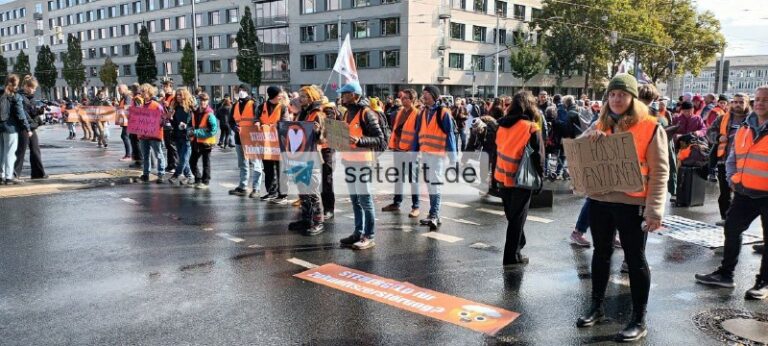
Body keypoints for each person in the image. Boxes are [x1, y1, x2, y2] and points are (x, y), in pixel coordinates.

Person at [576, 74, 669, 342]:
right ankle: (596, 307)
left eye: (622, 95)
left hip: (632, 203)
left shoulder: (650, 126)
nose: (617, 99)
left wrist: (654, 211)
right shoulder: (601, 122)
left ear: (632, 98)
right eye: (613, 94)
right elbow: (578, 151)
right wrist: (588, 136)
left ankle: (638, 319)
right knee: (601, 253)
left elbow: (660, 171)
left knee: (636, 259)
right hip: (601, 200)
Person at [695, 85, 768, 301]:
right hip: (744, 192)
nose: (761, 103)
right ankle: (725, 274)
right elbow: (733, 157)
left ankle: (763, 282)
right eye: (758, 99)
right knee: (731, 229)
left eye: (766, 99)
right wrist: (732, 178)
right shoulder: (746, 126)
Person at [495, 91, 544, 265]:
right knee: (517, 219)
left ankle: (518, 245)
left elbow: (497, 151)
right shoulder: (530, 127)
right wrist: (540, 178)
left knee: (512, 217)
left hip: (502, 177)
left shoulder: (501, 125)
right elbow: (538, 156)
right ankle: (511, 256)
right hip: (521, 179)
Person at [335, 81, 385, 248]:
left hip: (363, 162)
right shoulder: (345, 113)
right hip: (349, 161)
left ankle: (369, 236)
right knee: (355, 200)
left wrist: (360, 140)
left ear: (354, 95)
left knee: (365, 200)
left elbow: (380, 139)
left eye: (345, 94)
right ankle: (358, 232)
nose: (342, 97)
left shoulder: (366, 113)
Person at [413, 85, 458, 230]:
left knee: (435, 185)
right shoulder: (422, 112)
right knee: (429, 184)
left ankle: (434, 215)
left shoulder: (443, 113)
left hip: (437, 156)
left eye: (426, 94)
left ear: (434, 95)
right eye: (423, 93)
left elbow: (450, 136)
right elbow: (417, 133)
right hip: (425, 154)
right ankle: (433, 214)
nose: (424, 96)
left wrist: (453, 158)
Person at [288, 85, 328, 236]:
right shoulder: (302, 113)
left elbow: (323, 139)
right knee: (303, 190)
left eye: (303, 96)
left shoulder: (318, 114)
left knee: (312, 191)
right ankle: (306, 218)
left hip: (312, 156)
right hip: (300, 155)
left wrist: (318, 132)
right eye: (300, 96)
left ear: (311, 98)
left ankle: (318, 221)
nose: (300, 99)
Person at [707, 94, 748, 225]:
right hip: (724, 161)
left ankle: (739, 220)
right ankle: (726, 219)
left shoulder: (753, 120)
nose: (737, 104)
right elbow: (709, 132)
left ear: (746, 103)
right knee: (725, 193)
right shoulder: (722, 118)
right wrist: (718, 137)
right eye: (735, 102)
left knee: (743, 195)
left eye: (741, 102)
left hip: (746, 163)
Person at [382, 88, 421, 217]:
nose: (403, 100)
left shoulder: (417, 114)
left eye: (406, 98)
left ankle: (416, 206)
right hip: (398, 149)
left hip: (410, 152)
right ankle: (396, 203)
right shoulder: (400, 112)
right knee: (398, 178)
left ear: (413, 100)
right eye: (402, 97)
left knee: (413, 180)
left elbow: (419, 135)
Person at [228, 84, 266, 199]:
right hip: (239, 138)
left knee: (256, 164)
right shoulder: (235, 105)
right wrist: (235, 128)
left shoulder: (254, 104)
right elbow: (231, 121)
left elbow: (259, 119)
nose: (241, 92)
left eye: (243, 90)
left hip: (253, 138)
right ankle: (243, 186)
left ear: (248, 92)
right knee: (243, 164)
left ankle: (256, 188)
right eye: (239, 90)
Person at [258, 86, 291, 200]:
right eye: (279, 95)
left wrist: (273, 127)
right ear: (273, 96)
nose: (281, 96)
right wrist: (257, 123)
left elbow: (285, 123)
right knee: (268, 169)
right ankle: (271, 192)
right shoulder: (261, 107)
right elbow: (256, 119)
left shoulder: (283, 108)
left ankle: (283, 193)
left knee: (281, 168)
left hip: (279, 143)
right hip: (265, 143)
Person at [14, 76, 47, 180]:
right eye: (33, 87)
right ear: (26, 86)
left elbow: (31, 112)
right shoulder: (20, 96)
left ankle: (38, 173)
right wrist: (29, 126)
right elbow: (23, 114)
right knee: (21, 151)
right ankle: (14, 174)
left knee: (35, 149)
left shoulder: (29, 97)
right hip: (23, 127)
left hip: (30, 126)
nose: (34, 90)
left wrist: (39, 111)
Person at [0, 75, 31, 185]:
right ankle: (9, 177)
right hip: (11, 127)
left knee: (1, 151)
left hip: (0, 126)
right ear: (16, 84)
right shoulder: (15, 96)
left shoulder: (1, 92)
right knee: (10, 152)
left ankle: (1, 175)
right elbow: (20, 114)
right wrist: (27, 128)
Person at [188, 92, 219, 189]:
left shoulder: (210, 115)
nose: (202, 102)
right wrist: (188, 129)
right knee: (192, 161)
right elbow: (191, 124)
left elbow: (213, 131)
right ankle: (198, 179)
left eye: (204, 101)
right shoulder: (195, 112)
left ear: (207, 101)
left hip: (206, 142)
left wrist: (196, 132)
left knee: (206, 162)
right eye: (201, 100)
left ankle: (205, 182)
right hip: (195, 141)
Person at [137, 83, 166, 183]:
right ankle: (146, 174)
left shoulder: (156, 105)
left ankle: (161, 174)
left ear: (149, 92)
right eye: (141, 91)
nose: (141, 93)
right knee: (145, 155)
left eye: (143, 91)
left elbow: (163, 120)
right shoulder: (141, 106)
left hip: (154, 135)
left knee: (158, 154)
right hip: (144, 135)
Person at [167, 88, 195, 186]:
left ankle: (176, 174)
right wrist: (170, 118)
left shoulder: (190, 108)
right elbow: (174, 124)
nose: (178, 97)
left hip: (187, 136)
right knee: (183, 159)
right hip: (177, 135)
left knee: (183, 158)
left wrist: (186, 126)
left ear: (185, 96)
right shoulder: (176, 107)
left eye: (180, 95)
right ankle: (190, 176)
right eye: (177, 95)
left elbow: (194, 124)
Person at [161, 80, 178, 175]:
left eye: (166, 86)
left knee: (172, 145)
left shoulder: (173, 98)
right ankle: (170, 164)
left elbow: (173, 111)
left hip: (171, 124)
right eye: (164, 86)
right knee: (168, 145)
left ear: (171, 87)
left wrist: (167, 107)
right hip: (165, 124)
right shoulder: (165, 97)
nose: (164, 88)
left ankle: (175, 164)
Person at [116, 84, 133, 161]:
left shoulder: (127, 96)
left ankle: (129, 155)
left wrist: (119, 107)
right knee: (125, 136)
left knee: (125, 136)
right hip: (125, 120)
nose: (118, 91)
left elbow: (127, 106)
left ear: (125, 89)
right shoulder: (124, 97)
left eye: (120, 89)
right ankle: (129, 154)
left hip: (128, 120)